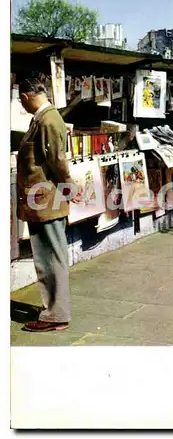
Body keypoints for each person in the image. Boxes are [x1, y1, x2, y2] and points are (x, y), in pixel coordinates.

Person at [16, 78, 82, 332]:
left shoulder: (48, 119)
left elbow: (58, 160)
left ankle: (56, 315)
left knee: (51, 258)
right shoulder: (43, 118)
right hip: (42, 201)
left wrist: (69, 188)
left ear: (25, 97)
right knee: (49, 257)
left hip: (47, 202)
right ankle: (55, 310)